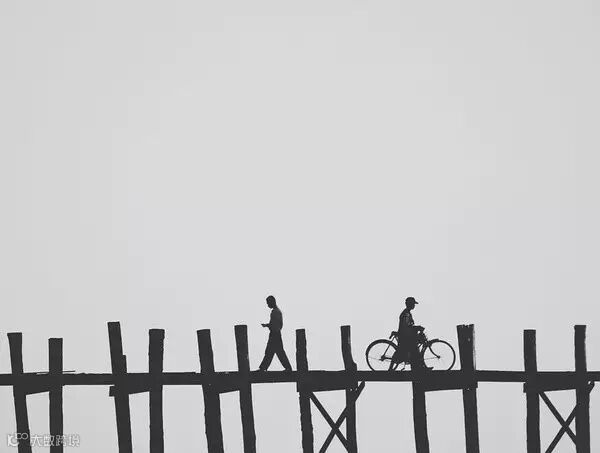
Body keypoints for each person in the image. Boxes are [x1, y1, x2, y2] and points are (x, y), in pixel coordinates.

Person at [258, 295, 293, 371]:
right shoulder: (277, 311)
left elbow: (274, 325)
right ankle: (263, 368)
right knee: (274, 352)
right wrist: (268, 325)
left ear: (272, 302)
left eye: (268, 303)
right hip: (276, 334)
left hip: (275, 334)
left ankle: (263, 368)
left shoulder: (275, 312)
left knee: (273, 352)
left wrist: (268, 325)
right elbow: (279, 324)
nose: (267, 305)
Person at [395, 296, 430, 369]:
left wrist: (416, 328)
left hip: (407, 335)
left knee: (415, 350)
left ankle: (420, 366)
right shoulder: (406, 314)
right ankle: (420, 367)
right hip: (405, 336)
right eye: (413, 304)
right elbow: (407, 326)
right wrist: (417, 328)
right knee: (414, 350)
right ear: (409, 304)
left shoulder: (407, 313)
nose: (414, 305)